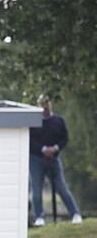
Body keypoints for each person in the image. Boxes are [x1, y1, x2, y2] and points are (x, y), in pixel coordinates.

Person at [29, 95, 82, 226]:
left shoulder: (59, 120)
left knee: (61, 187)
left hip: (54, 158)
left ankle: (74, 213)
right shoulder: (33, 121)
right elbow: (30, 140)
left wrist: (55, 148)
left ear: (50, 104)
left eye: (47, 103)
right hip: (36, 159)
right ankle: (39, 217)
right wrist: (43, 149)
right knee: (36, 189)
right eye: (42, 104)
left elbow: (64, 137)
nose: (45, 106)